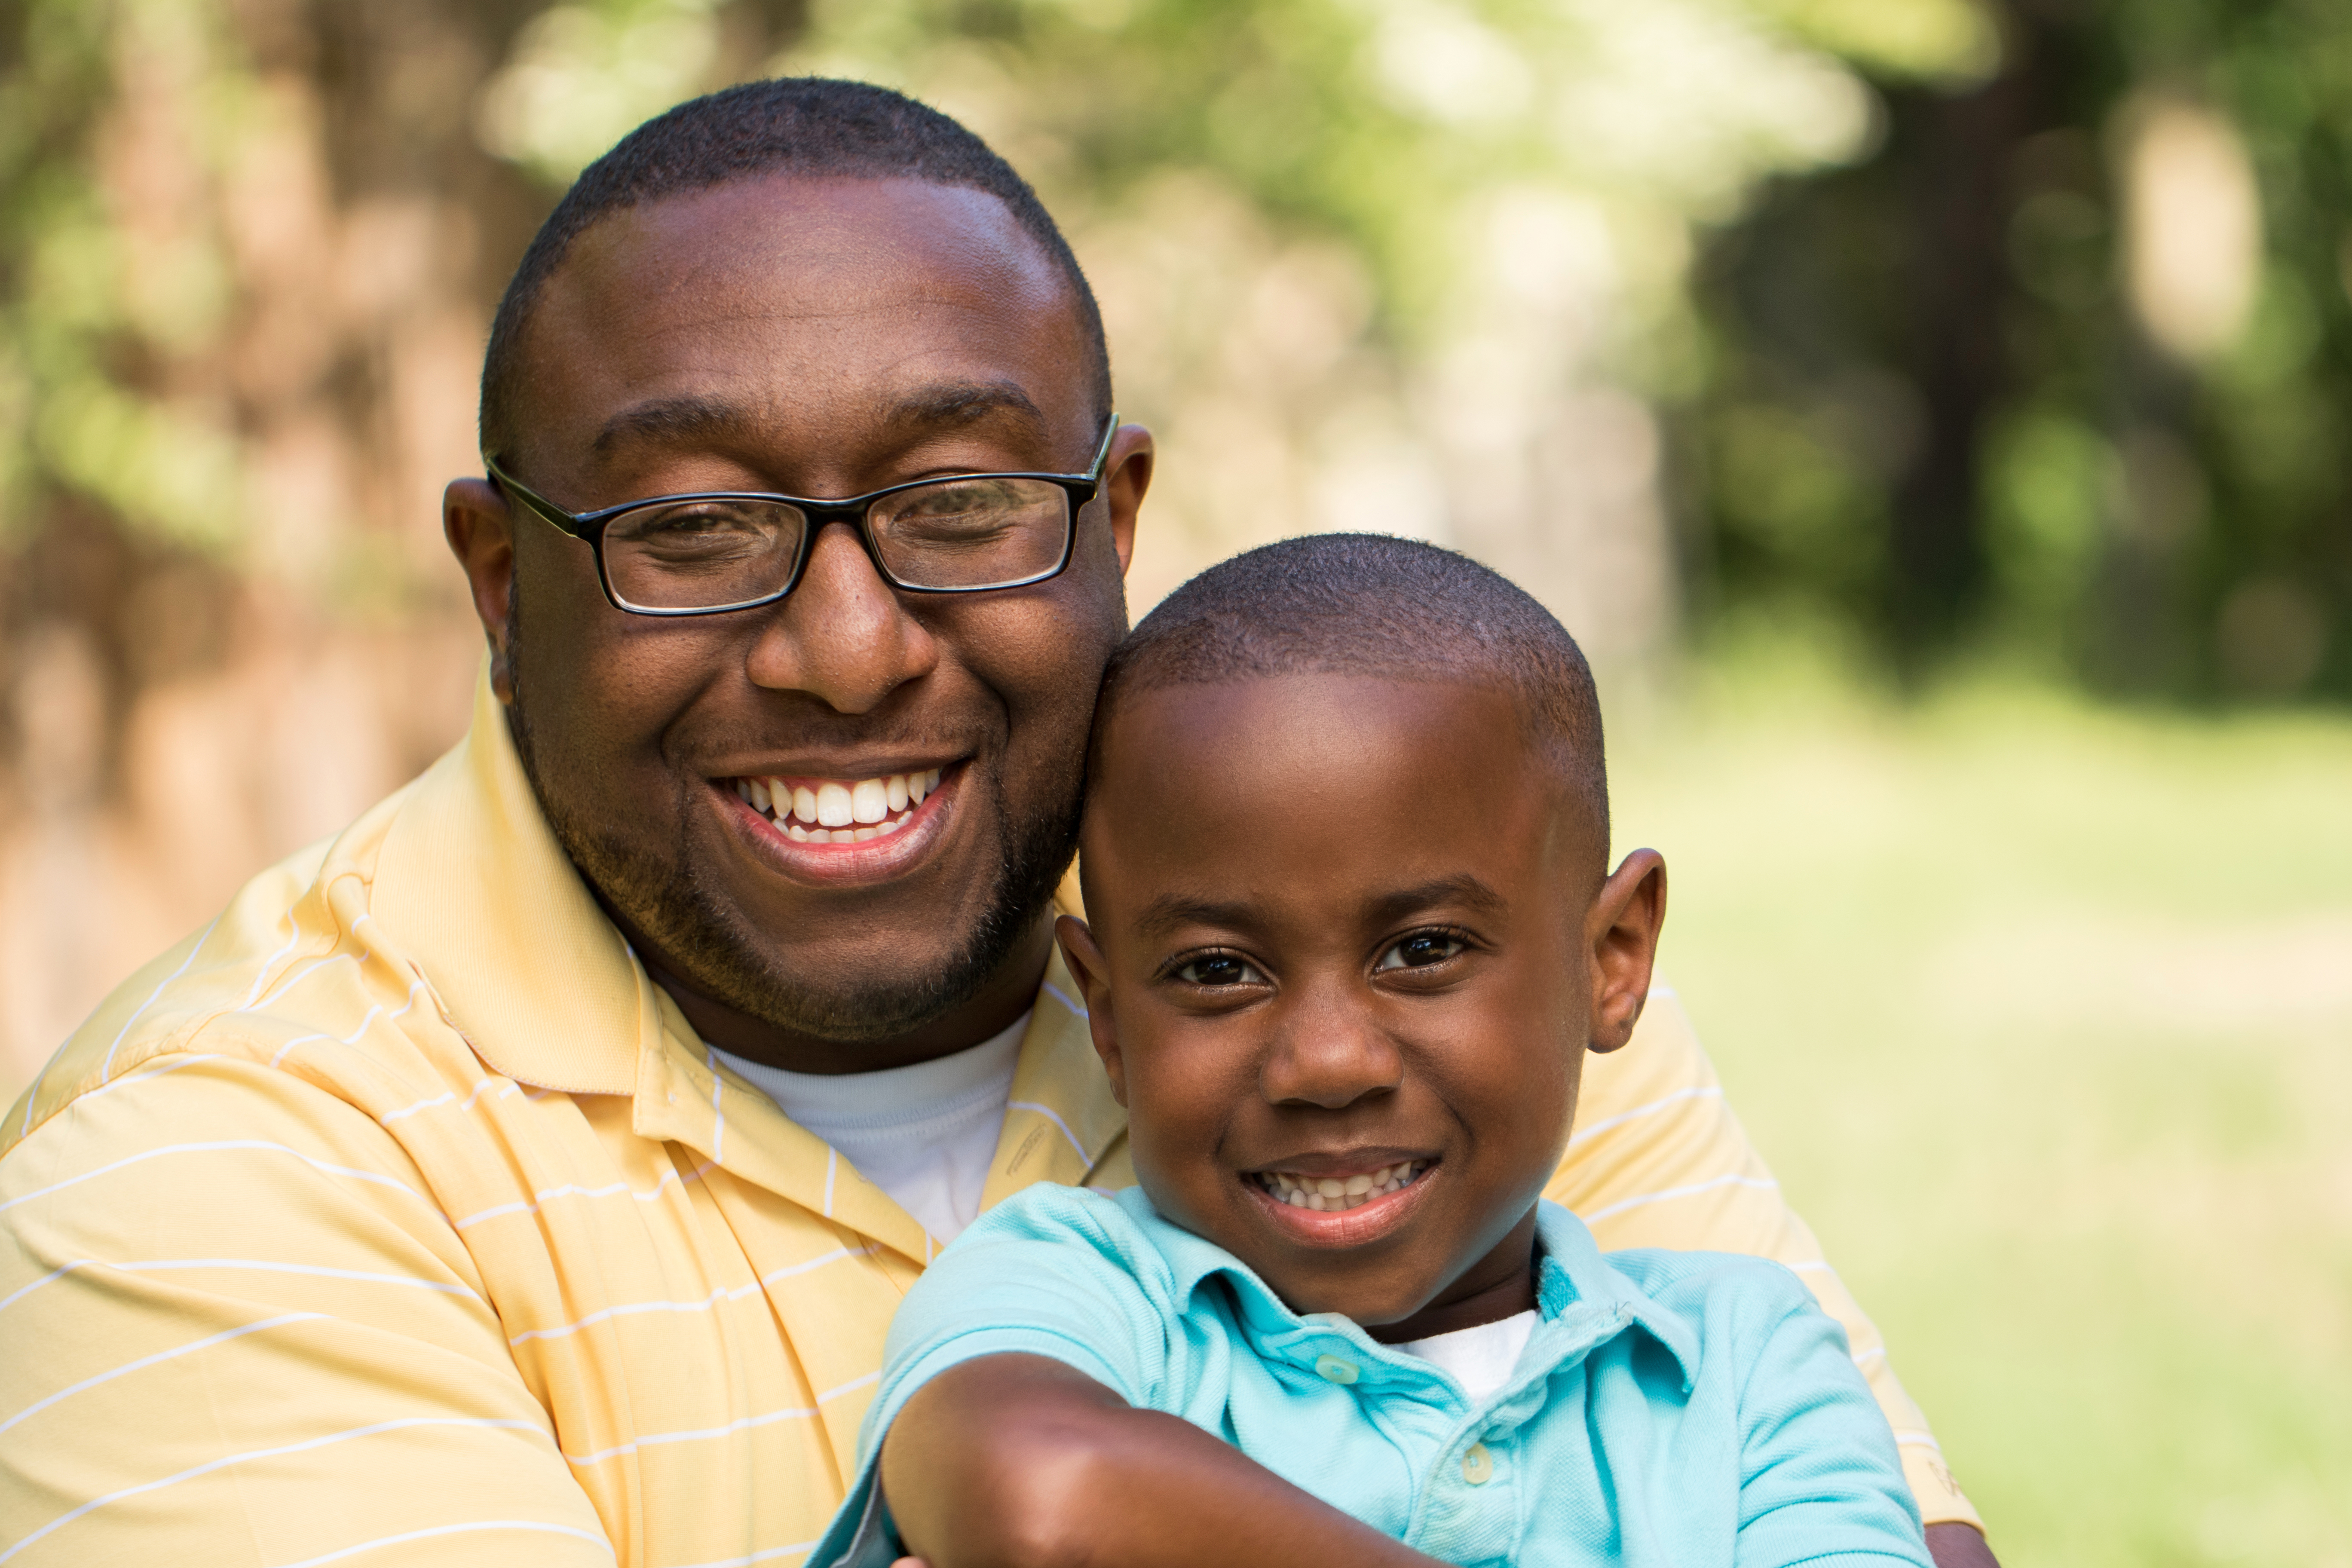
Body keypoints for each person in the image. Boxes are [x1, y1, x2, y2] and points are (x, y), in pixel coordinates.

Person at [0, 79, 1993, 1568]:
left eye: (959, 505)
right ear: (505, 586)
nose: (849, 652)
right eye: (694, 530)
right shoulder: (211, 1173)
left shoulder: (1413, 973)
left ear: (1112, 526)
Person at [808, 534, 1933, 1568]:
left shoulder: (1744, 1365)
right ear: (1106, 1016)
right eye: (1216, 969)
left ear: (1614, 958)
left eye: (1424, 949)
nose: (1327, 1063)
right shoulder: (1083, 1293)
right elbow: (1041, 1497)